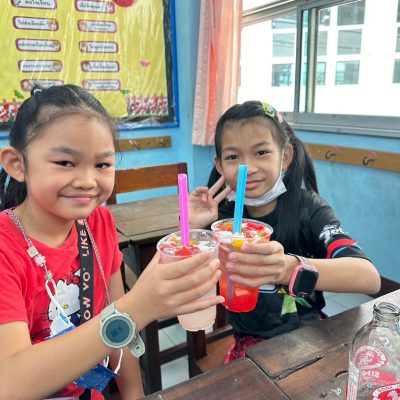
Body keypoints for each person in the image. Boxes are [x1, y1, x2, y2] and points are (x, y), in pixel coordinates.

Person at [0, 84, 223, 400]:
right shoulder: (6, 248)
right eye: (65, 163)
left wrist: (134, 395)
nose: (87, 181)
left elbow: (120, 326)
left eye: (102, 164)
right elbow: (9, 383)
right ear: (17, 164)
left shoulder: (98, 223)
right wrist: (139, 306)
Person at [188, 100, 381, 363]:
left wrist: (289, 269)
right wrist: (194, 228)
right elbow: (189, 281)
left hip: (309, 338)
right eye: (233, 157)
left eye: (261, 152)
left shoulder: (309, 210)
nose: (248, 168)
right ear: (220, 165)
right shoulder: (222, 219)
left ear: (285, 157)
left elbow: (369, 278)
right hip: (248, 344)